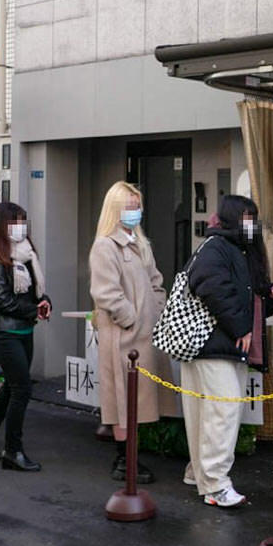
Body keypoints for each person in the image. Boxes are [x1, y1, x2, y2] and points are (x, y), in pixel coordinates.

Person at [181, 195, 273, 509]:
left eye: (253, 217)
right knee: (222, 413)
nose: (250, 223)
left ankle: (200, 473)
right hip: (213, 344)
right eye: (245, 217)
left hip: (222, 345)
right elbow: (212, 287)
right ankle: (214, 485)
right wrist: (241, 327)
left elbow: (247, 299)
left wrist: (272, 297)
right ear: (229, 218)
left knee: (209, 414)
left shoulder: (241, 250)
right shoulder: (216, 248)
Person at [89, 181, 166, 482]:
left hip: (142, 337)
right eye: (130, 206)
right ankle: (124, 460)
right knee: (123, 401)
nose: (136, 211)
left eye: (138, 206)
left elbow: (156, 281)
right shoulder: (105, 246)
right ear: (115, 209)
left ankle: (130, 457)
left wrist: (155, 311)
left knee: (137, 400)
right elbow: (106, 293)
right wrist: (131, 319)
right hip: (123, 338)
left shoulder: (139, 243)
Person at [0, 202, 51, 471]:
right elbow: (2, 300)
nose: (21, 227)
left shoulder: (27, 254)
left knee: (11, 388)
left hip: (24, 328)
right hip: (4, 330)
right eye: (15, 222)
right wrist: (34, 308)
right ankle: (13, 451)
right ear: (2, 225)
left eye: (23, 221)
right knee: (22, 389)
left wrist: (43, 302)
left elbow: (34, 292)